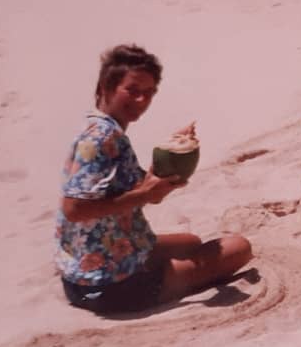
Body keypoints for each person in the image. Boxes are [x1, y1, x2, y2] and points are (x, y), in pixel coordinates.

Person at [55, 44, 253, 314]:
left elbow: (149, 191)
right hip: (111, 288)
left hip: (82, 276)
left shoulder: (101, 128)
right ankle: (162, 283)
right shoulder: (101, 139)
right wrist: (145, 195)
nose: (141, 101)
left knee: (191, 242)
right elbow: (74, 208)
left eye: (149, 93)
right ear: (105, 87)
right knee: (238, 248)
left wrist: (175, 151)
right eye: (132, 91)